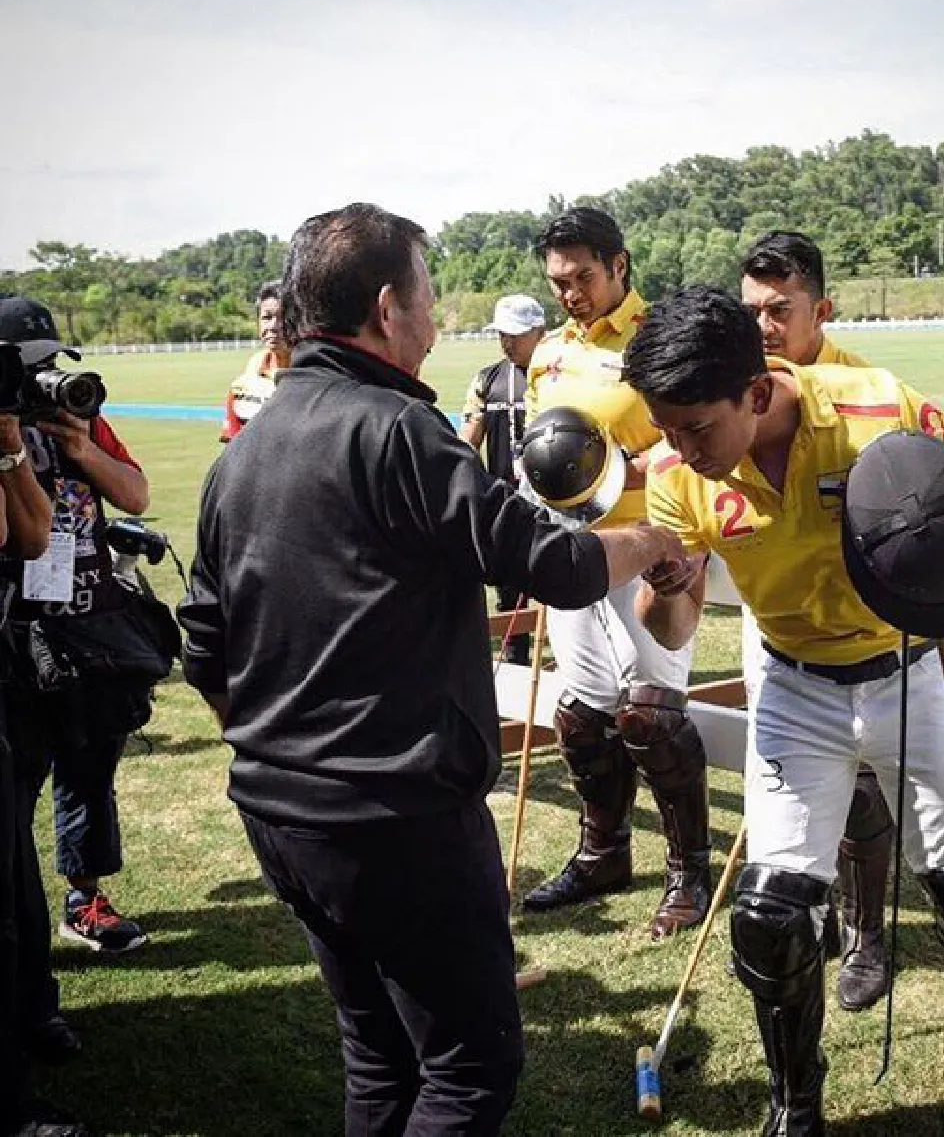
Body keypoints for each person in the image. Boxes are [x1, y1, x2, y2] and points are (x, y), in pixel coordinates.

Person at [177, 202, 688, 1137]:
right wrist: (652, 539)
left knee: (379, 1055)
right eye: (427, 295)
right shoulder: (399, 431)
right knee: (467, 1071)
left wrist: (285, 754)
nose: (437, 320)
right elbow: (556, 565)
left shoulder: (244, 452)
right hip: (395, 820)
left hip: (277, 813)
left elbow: (203, 647)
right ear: (386, 308)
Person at [625, 286, 944, 1135]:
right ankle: (796, 1106)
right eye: (664, 429)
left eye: (696, 428)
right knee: (770, 918)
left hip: (909, 671)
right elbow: (671, 626)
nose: (679, 450)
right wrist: (667, 588)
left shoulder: (882, 409)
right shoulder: (674, 475)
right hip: (794, 688)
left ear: (755, 391)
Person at [521, 207, 711, 941]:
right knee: (582, 714)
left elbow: (693, 433)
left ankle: (689, 874)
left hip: (651, 542)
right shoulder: (547, 354)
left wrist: (619, 468)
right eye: (558, 282)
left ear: (620, 266)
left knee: (651, 717)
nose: (571, 293)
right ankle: (603, 855)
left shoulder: (659, 337)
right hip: (574, 551)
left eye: (583, 278)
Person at [740, 231, 894, 1012]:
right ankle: (811, 914)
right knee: (793, 785)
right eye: (751, 311)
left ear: (821, 309)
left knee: (861, 786)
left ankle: (867, 932)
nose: (763, 327)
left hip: (860, 628)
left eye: (779, 310)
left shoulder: (868, 388)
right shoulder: (737, 388)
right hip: (773, 623)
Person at [0, 296, 152, 972]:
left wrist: (84, 449)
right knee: (19, 785)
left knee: (89, 772)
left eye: (54, 364)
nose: (49, 380)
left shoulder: (81, 420)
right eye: (34, 368)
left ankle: (85, 899)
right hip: (22, 638)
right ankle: (19, 917)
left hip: (92, 630)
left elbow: (137, 496)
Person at [0, 296, 91, 1136]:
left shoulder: (29, 433)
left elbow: (31, 539)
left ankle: (34, 1010)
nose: (38, 384)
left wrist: (17, 444)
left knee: (15, 871)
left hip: (27, 664)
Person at [459, 293, 546, 666]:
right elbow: (469, 438)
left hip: (552, 499)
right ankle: (515, 657)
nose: (507, 343)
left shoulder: (557, 376)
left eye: (516, 335)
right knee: (508, 585)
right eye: (502, 335)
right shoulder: (487, 379)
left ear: (539, 332)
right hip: (505, 498)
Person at [219, 280, 292, 442]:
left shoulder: (318, 378)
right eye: (267, 317)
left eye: (283, 318)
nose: (273, 326)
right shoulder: (242, 388)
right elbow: (231, 447)